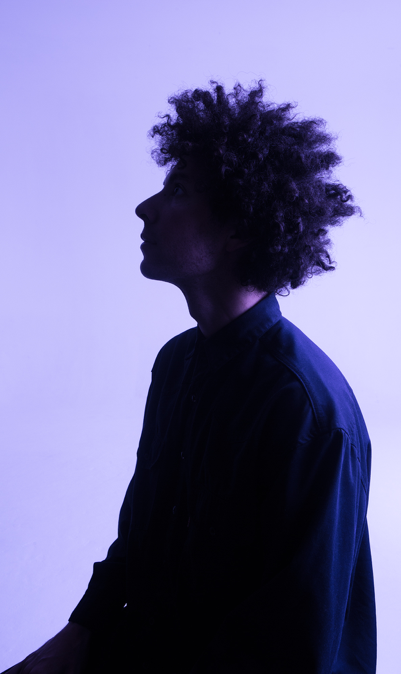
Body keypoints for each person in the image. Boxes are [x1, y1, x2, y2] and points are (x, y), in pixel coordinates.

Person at [5, 80, 376, 674]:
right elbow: (141, 537)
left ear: (239, 228)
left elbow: (292, 643)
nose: (144, 207)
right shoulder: (176, 363)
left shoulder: (304, 409)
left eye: (177, 190)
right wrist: (78, 633)